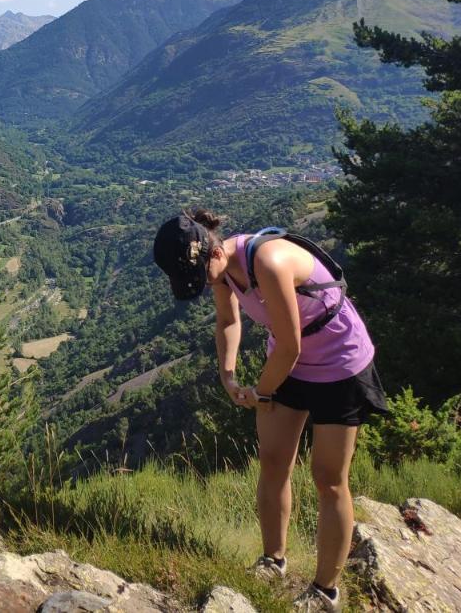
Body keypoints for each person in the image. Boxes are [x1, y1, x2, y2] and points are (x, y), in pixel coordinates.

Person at [153, 209, 387, 612]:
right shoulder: (221, 269)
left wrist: (261, 392)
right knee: (273, 461)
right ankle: (273, 560)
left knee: (329, 478)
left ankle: (324, 590)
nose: (205, 284)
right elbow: (228, 320)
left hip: (340, 365)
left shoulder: (270, 261)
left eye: (199, 275)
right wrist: (228, 378)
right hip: (288, 364)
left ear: (211, 252)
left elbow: (292, 343)